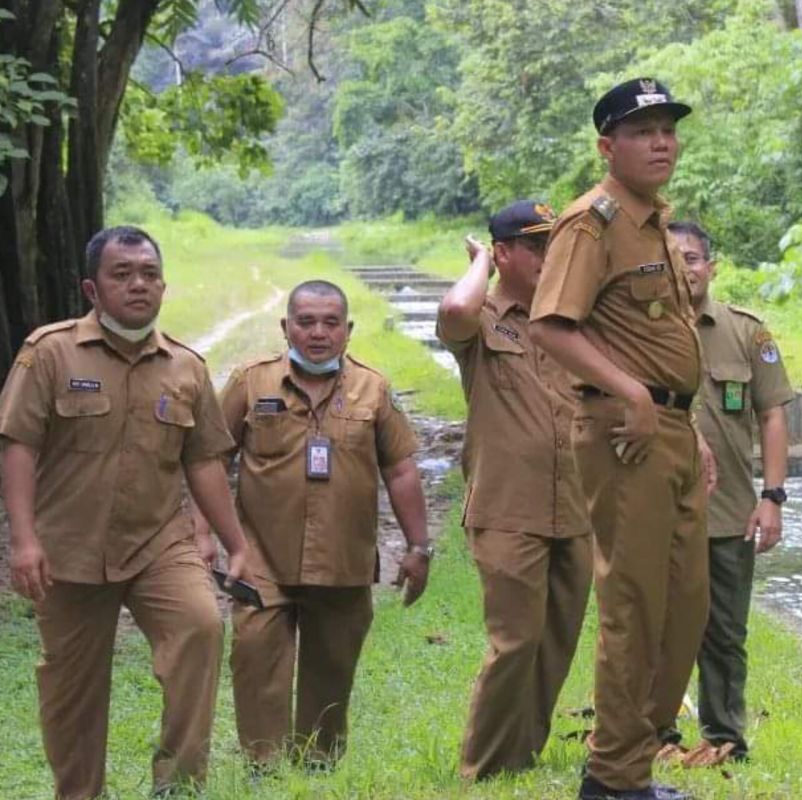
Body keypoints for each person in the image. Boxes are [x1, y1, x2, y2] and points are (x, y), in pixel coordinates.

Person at [0, 225, 250, 800]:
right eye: (122, 275)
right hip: (68, 547)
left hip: (158, 543)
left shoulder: (185, 367)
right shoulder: (50, 351)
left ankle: (177, 787)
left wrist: (237, 543)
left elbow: (205, 464)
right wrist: (25, 540)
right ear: (92, 288)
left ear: (163, 284)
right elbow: (19, 446)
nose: (138, 285)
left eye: (149, 274)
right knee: (72, 688)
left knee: (200, 628)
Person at [529, 78, 714, 800]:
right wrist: (634, 393)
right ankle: (613, 780)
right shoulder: (592, 224)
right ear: (608, 146)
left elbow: (659, 338)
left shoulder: (655, 224)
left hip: (670, 432)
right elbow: (549, 325)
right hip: (623, 433)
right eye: (643, 131)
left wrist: (685, 423)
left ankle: (631, 763)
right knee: (635, 606)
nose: (661, 141)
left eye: (668, 128)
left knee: (684, 604)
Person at [194, 280, 431, 767]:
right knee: (256, 662)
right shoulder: (250, 382)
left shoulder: (374, 388)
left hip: (343, 559)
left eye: (330, 323)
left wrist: (418, 546)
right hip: (260, 555)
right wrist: (204, 534)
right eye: (305, 322)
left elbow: (401, 468)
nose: (318, 333)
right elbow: (211, 458)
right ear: (286, 327)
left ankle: (318, 766)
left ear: (348, 330)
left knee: (332, 670)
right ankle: (265, 768)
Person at [437, 200, 593, 780]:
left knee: (556, 640)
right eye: (534, 247)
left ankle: (522, 755)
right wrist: (480, 263)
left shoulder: (571, 321)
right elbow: (455, 307)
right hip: (507, 506)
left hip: (576, 503)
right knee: (515, 640)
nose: (547, 256)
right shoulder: (481, 321)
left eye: (553, 245)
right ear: (504, 253)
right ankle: (480, 766)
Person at [658, 220, 793, 766]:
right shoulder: (638, 333)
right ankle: (656, 736)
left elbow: (773, 417)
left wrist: (773, 497)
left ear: (711, 266)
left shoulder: (747, 334)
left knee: (725, 633)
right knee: (657, 628)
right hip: (656, 511)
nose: (684, 268)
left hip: (729, 512)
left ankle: (724, 736)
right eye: (671, 258)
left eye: (692, 258)